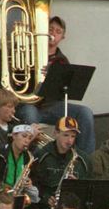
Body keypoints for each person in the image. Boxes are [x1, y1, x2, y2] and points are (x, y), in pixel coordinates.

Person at [16, 17, 95, 154]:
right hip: (29, 105)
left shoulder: (62, 61)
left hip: (52, 106)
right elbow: (16, 81)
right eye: (50, 29)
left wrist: (53, 77)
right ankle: (32, 159)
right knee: (31, 117)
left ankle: (84, 159)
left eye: (58, 32)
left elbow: (64, 92)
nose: (53, 34)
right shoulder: (27, 53)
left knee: (85, 112)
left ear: (62, 37)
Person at [30, 116, 91, 209]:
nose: (69, 140)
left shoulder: (83, 159)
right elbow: (34, 184)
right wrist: (46, 198)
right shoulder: (41, 155)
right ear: (56, 133)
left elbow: (89, 190)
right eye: (66, 135)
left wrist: (78, 185)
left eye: (73, 136)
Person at [0, 123, 39, 204]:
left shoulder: (29, 157)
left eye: (30, 138)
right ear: (14, 136)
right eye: (24, 136)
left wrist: (30, 182)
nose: (27, 141)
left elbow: (35, 179)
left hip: (17, 197)